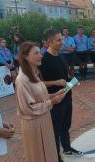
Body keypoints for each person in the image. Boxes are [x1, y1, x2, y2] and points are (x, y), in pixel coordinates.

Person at [15, 41, 66, 162]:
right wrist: (52, 102)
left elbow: (38, 96)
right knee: (38, 155)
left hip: (43, 119)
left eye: (40, 52)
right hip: (34, 124)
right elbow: (28, 107)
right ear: (25, 57)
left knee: (48, 153)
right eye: (36, 53)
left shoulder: (34, 74)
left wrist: (53, 95)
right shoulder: (22, 80)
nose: (41, 55)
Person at [40, 28, 83, 162]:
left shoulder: (60, 55)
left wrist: (71, 81)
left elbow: (65, 76)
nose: (62, 42)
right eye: (59, 40)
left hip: (67, 96)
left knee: (65, 126)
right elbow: (39, 85)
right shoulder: (44, 60)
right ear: (49, 41)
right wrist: (55, 82)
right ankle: (56, 156)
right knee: (55, 130)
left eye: (61, 39)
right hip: (55, 100)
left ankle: (67, 148)